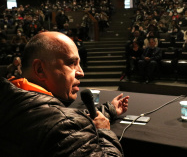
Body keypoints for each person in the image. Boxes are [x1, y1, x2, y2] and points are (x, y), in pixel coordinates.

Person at [0, 32, 129, 156]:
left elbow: (47, 115)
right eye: (72, 63)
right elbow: (64, 124)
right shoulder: (64, 124)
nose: (81, 72)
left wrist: (109, 110)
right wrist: (104, 131)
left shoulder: (11, 98)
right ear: (40, 69)